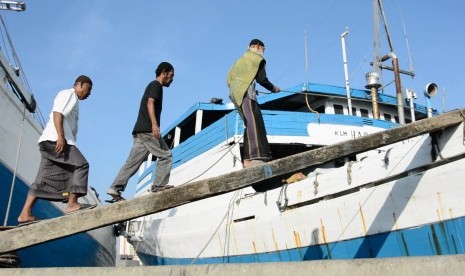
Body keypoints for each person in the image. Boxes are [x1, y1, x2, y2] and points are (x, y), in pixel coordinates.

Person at [17, 75, 95, 226]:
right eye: (88, 89)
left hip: (48, 141)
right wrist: (60, 136)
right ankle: (72, 204)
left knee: (42, 179)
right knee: (81, 165)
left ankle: (24, 214)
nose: (89, 93)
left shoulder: (72, 99)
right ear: (80, 84)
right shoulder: (69, 94)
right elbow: (57, 113)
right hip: (56, 141)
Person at [107, 62, 174, 202]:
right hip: (147, 130)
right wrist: (154, 125)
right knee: (166, 155)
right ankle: (159, 185)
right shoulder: (156, 85)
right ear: (164, 72)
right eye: (171, 75)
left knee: (133, 162)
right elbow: (150, 103)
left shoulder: (151, 85)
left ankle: (114, 187)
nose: (172, 79)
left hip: (140, 131)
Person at [227, 39, 281, 168]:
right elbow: (262, 79)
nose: (263, 52)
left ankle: (247, 160)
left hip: (237, 95)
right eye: (263, 49)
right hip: (247, 96)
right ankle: (256, 158)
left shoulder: (240, 60)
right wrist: (273, 88)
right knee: (255, 125)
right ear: (257, 47)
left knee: (249, 125)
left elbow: (229, 78)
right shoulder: (256, 58)